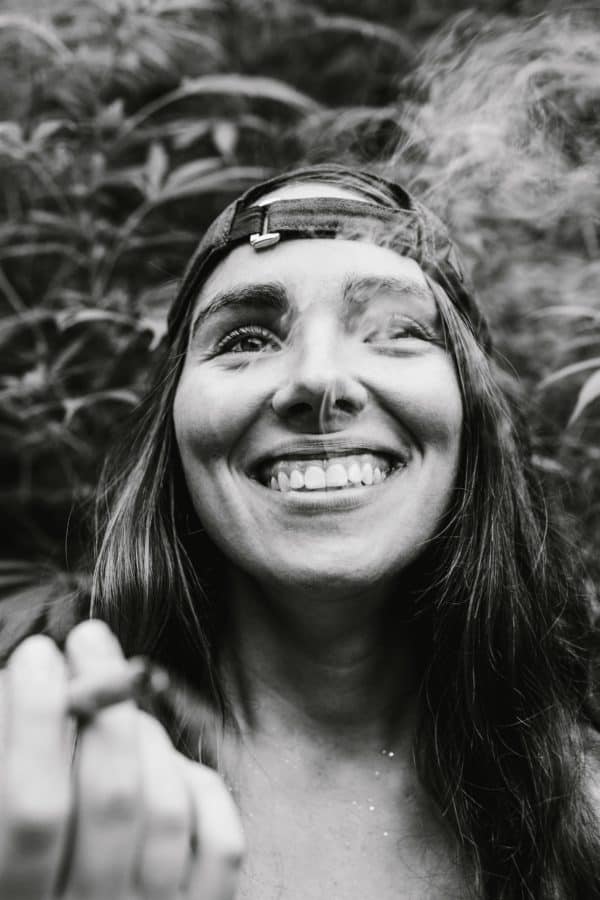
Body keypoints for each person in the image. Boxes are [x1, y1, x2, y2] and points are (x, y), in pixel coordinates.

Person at [0, 164, 599, 899]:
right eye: (246, 337)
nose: (319, 380)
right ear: (174, 428)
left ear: (473, 418)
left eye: (397, 331)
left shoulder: (585, 800)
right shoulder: (33, 768)